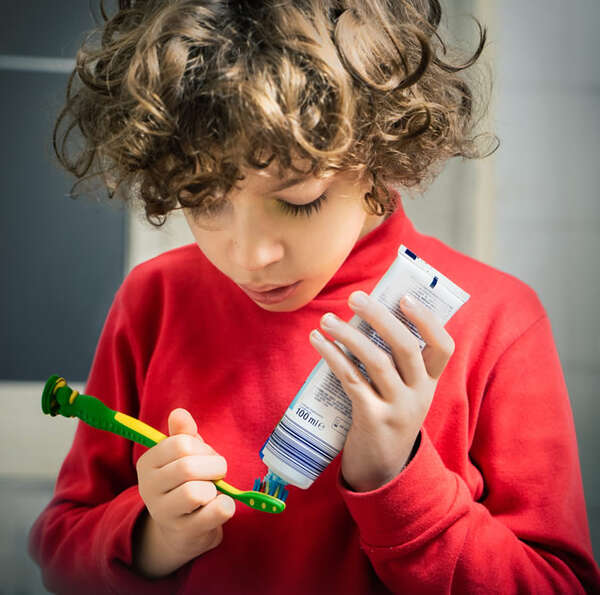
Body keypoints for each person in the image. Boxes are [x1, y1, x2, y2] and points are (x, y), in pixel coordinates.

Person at [29, 1, 600, 593]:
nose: (249, 258)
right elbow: (61, 551)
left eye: (298, 200)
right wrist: (151, 539)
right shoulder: (154, 300)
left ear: (379, 154)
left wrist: (399, 479)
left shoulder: (498, 322)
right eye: (205, 199)